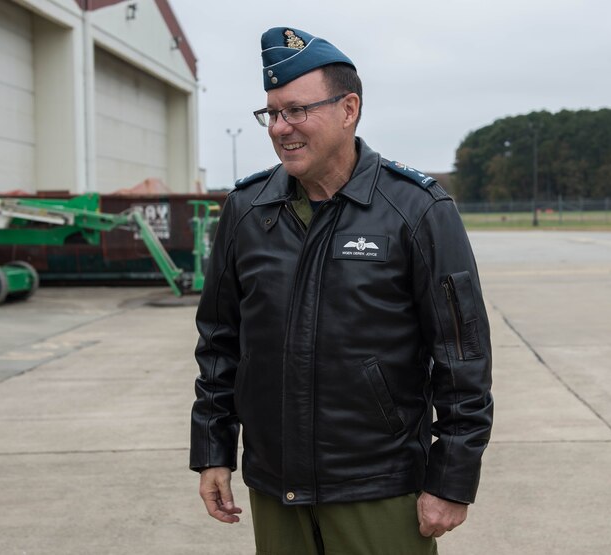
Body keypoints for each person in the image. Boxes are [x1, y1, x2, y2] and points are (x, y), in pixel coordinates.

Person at [190, 26, 493, 554]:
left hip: (378, 488)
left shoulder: (416, 210)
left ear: (349, 108)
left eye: (296, 111)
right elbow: (220, 342)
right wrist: (213, 449)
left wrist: (452, 477)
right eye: (272, 113)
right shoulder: (247, 209)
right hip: (274, 484)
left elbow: (462, 355)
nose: (281, 128)